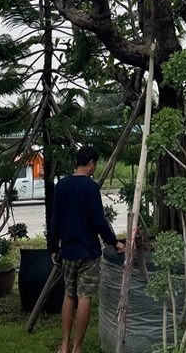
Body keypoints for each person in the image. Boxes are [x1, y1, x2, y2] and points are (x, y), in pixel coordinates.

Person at [49, 146, 125, 353]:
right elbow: (99, 222)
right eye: (95, 163)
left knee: (68, 295)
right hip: (88, 253)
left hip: (68, 251)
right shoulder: (90, 188)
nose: (95, 167)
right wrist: (114, 242)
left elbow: (54, 220)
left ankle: (64, 346)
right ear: (90, 162)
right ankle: (77, 348)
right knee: (84, 297)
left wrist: (53, 247)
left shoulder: (61, 186)